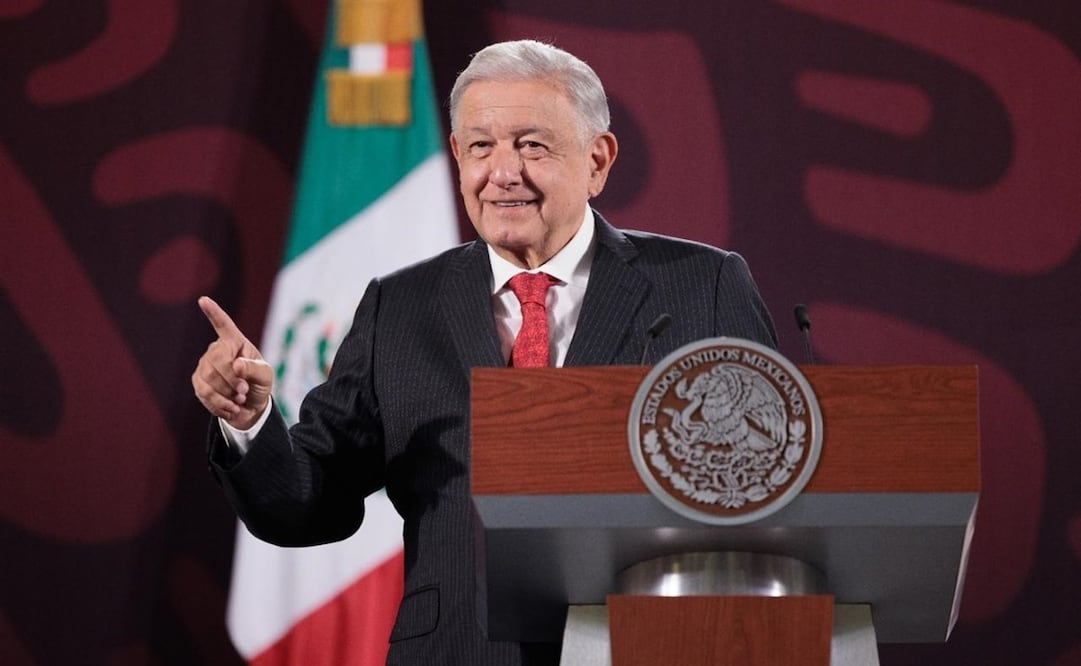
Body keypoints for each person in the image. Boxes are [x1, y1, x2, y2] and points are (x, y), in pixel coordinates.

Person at [192, 39, 776, 666]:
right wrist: (250, 421)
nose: (503, 172)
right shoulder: (400, 307)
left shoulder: (702, 285)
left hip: (649, 644)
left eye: (532, 145)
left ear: (597, 161)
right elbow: (308, 504)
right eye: (480, 147)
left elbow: (779, 481)